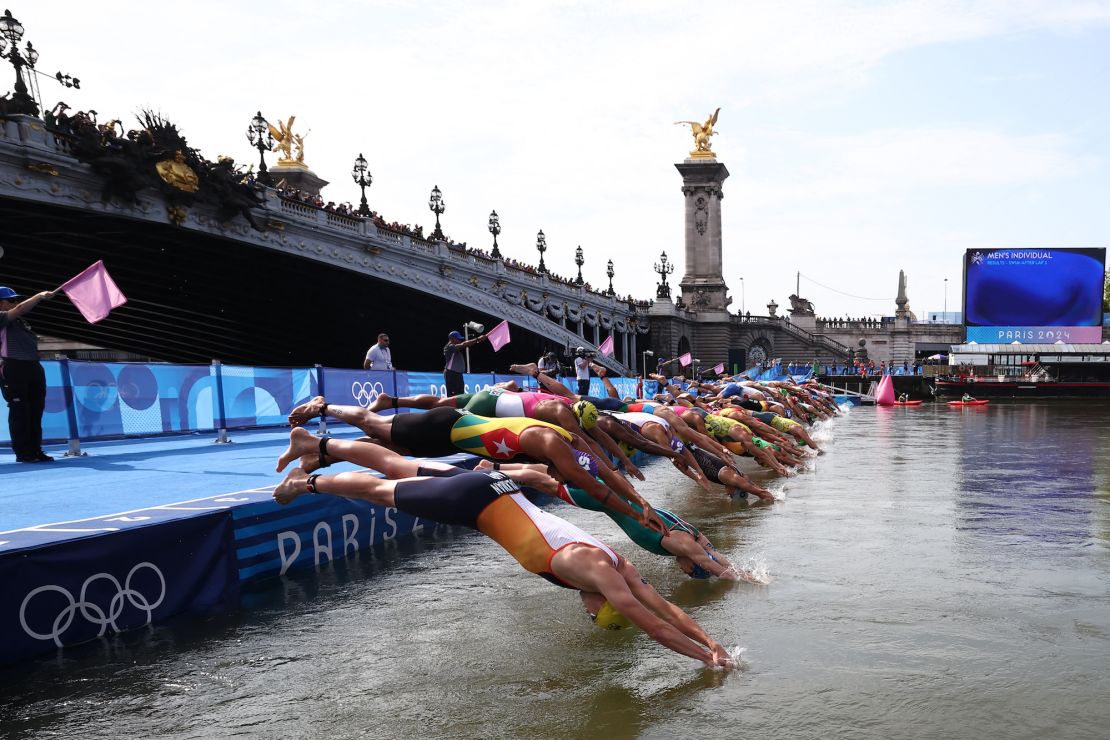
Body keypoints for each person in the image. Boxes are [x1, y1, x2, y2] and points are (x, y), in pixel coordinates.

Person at [271, 437, 734, 669]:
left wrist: (711, 639)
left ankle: (318, 446)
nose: (588, 613)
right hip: (474, 502)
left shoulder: (619, 565)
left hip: (495, 484)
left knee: (395, 464)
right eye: (595, 615)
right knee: (380, 490)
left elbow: (667, 608)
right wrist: (708, 660)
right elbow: (653, 624)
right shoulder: (595, 570)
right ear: (604, 601)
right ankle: (305, 483)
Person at [0, 286, 56, 463]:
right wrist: (39, 295)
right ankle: (23, 452)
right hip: (12, 366)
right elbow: (20, 309)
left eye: (16, 300)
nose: (15, 303)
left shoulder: (21, 323)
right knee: (20, 409)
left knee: (35, 410)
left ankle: (36, 450)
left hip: (32, 366)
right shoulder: (2, 317)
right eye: (11, 300)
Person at [443, 330, 487, 397]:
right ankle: (451, 408)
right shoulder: (449, 347)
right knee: (453, 396)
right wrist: (478, 339)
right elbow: (464, 344)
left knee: (460, 395)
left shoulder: (455, 349)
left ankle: (458, 408)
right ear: (452, 339)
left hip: (458, 374)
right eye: (458, 339)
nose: (460, 340)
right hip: (451, 374)